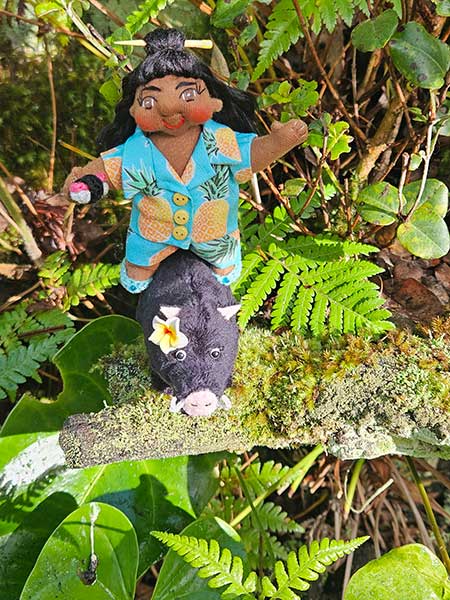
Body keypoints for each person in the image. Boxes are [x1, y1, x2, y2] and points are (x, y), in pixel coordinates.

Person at [64, 28, 308, 293]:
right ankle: (140, 268)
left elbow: (251, 156)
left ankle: (224, 267)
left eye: (188, 95)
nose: (169, 108)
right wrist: (87, 183)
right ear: (133, 110)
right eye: (149, 101)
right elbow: (105, 173)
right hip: (152, 235)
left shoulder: (222, 141)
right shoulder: (135, 151)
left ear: (214, 101)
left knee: (223, 260)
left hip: (215, 234)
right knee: (140, 262)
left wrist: (279, 141)